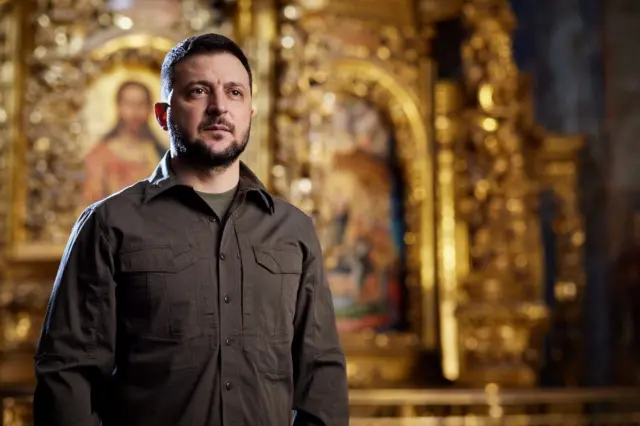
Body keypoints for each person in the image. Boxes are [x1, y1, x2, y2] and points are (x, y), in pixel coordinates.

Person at [33, 33, 349, 426]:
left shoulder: (293, 230)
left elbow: (323, 377)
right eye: (199, 91)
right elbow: (67, 374)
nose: (219, 107)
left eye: (235, 92)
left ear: (250, 111)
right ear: (163, 114)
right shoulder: (108, 224)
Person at [83, 81, 166, 204]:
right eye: (129, 104)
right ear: (118, 106)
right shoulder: (100, 155)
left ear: (150, 109)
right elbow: (92, 203)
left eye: (141, 104)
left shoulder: (159, 154)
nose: (135, 111)